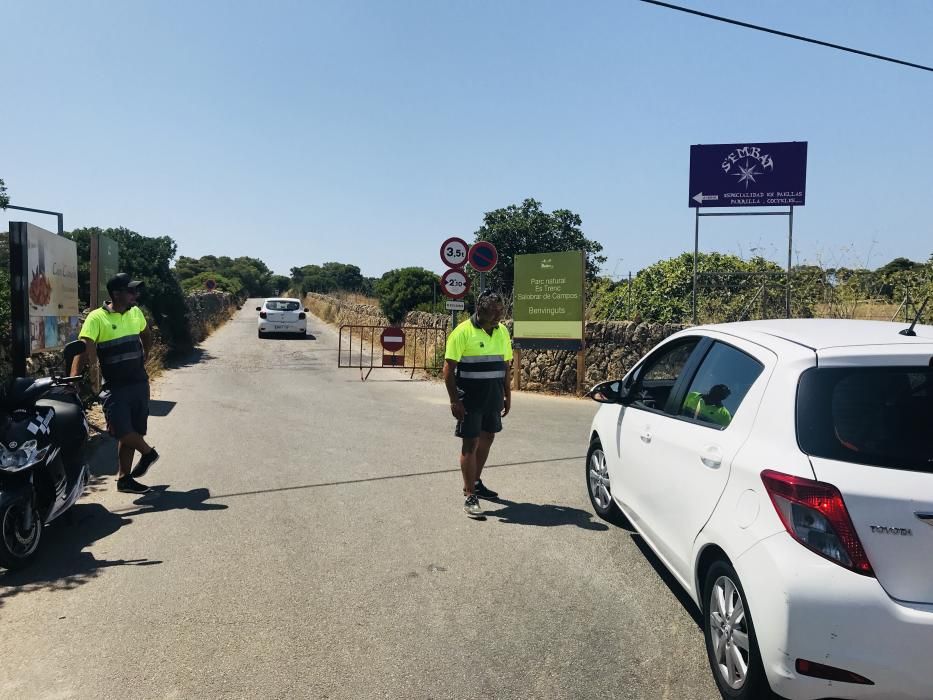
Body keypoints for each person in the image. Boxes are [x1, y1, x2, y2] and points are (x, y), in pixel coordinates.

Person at [71, 273, 159, 494]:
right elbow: (83, 349)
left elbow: (146, 334)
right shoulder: (97, 318)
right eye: (131, 291)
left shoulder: (135, 312)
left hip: (139, 382)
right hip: (115, 386)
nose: (135, 295)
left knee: (134, 430)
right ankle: (149, 453)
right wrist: (73, 379)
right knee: (121, 430)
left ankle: (124, 479)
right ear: (116, 294)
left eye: (136, 290)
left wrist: (146, 354)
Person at [443, 290, 512, 517]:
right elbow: (448, 369)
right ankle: (470, 495)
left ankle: (476, 482)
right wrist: (454, 400)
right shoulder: (462, 332)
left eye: (500, 311)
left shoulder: (502, 331)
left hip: (493, 397)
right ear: (480, 310)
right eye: (493, 311)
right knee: (470, 444)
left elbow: (505, 366)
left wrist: (507, 395)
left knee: (488, 438)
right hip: (470, 399)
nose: (498, 316)